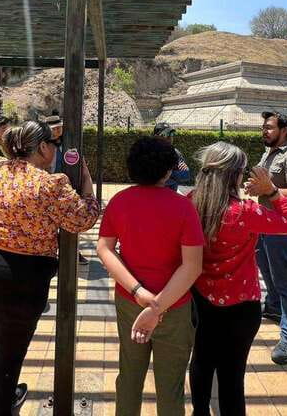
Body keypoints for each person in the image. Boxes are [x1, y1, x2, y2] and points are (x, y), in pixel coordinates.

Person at [0, 121, 100, 416]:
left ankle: (2, 397)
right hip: (18, 281)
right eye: (53, 145)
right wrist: (86, 182)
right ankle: (1, 408)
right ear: (44, 148)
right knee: (11, 354)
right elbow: (82, 219)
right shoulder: (50, 183)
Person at [189, 142, 287, 416]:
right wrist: (273, 192)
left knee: (202, 360)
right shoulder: (246, 212)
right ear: (236, 175)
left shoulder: (189, 204)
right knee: (232, 373)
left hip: (199, 300)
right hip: (242, 306)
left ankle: (200, 411)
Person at [97, 136, 204, 416]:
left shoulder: (120, 202)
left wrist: (139, 294)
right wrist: (159, 306)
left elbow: (105, 249)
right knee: (170, 385)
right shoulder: (183, 207)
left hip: (131, 303)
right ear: (168, 171)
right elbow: (192, 266)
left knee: (129, 376)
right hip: (175, 307)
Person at [247, 111, 287, 365]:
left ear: (284, 130)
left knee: (284, 280)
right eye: (264, 127)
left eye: (270, 128)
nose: (265, 131)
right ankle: (273, 307)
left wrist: (269, 190)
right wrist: (256, 188)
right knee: (267, 271)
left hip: (283, 227)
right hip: (265, 222)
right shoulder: (270, 154)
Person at [43, 111, 89, 265]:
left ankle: (74, 252)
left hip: (67, 187)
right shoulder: (43, 146)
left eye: (58, 128)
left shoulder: (69, 143)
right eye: (53, 129)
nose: (56, 131)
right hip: (49, 187)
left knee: (70, 220)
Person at [152, 123, 191, 192]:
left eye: (172, 134)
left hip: (170, 198)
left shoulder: (175, 153)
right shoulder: (147, 152)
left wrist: (165, 174)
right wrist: (174, 175)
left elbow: (186, 175)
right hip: (149, 196)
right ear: (156, 136)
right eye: (166, 134)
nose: (170, 137)